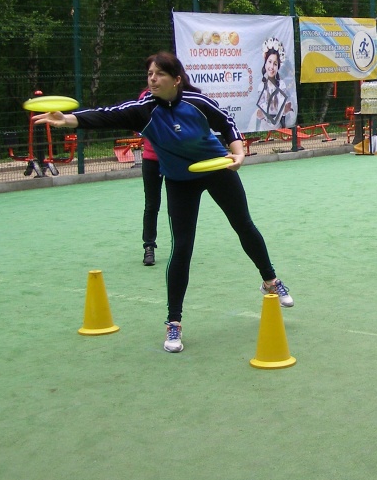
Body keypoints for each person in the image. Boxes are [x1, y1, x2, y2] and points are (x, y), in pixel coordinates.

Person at [32, 51, 292, 354]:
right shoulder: (143, 110)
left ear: (176, 79)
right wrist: (68, 119)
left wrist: (238, 152)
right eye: (150, 74)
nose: (152, 79)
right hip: (180, 180)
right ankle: (174, 322)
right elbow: (106, 115)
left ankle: (270, 280)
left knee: (244, 225)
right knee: (182, 247)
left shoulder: (197, 102)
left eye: (159, 74)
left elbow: (226, 123)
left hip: (217, 169)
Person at [138, 88, 163, 267]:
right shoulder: (146, 97)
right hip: (151, 160)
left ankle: (180, 247)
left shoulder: (180, 96)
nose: (154, 78)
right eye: (151, 75)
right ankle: (149, 247)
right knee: (152, 204)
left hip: (175, 160)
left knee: (178, 206)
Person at [251, 40, 294, 131]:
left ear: (278, 66)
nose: (271, 67)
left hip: (279, 124)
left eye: (275, 64)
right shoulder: (261, 86)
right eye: (269, 62)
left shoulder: (281, 85)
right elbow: (261, 109)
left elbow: (284, 106)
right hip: (264, 125)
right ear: (265, 63)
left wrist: (285, 109)